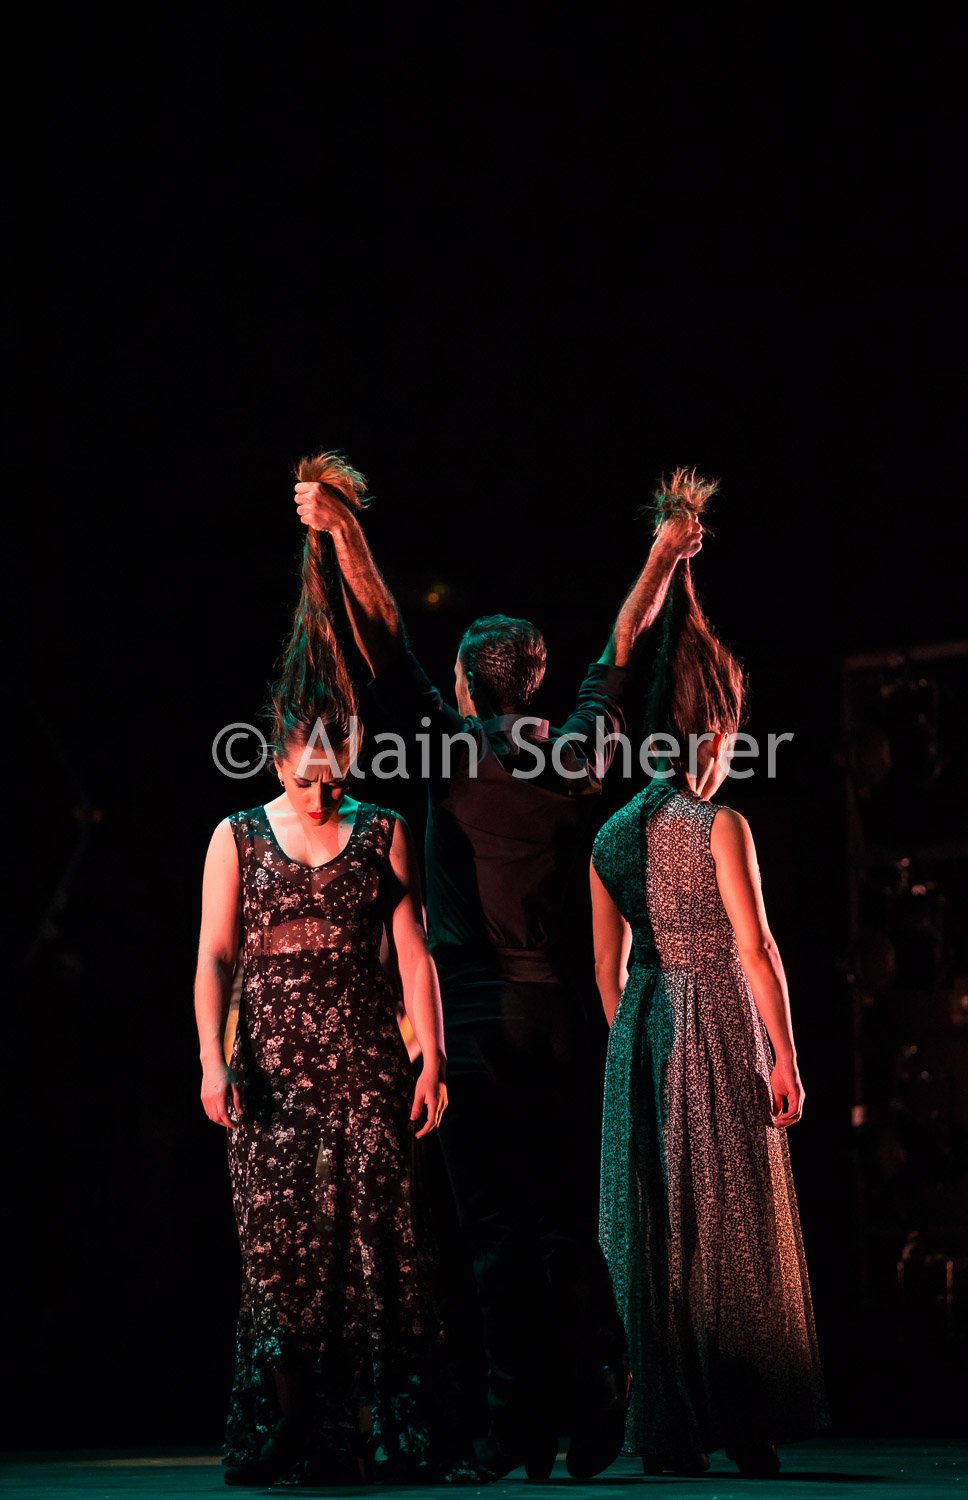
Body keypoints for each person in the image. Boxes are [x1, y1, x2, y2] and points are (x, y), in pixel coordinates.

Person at [292, 454, 703, 1480]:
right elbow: (624, 645)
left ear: (470, 682)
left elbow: (382, 630)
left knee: (491, 1232)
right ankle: (593, 1384)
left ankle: (516, 1428)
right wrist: (663, 551)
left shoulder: (442, 748)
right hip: (565, 1020)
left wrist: (342, 529)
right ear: (539, 676)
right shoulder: (579, 751)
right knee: (561, 1221)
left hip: (476, 1022)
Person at [194, 453, 479, 1486]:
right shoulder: (236, 833)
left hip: (362, 1059)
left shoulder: (381, 827)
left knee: (376, 1245)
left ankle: (374, 1430)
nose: (322, 792)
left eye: (337, 771)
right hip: (272, 1064)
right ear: (278, 756)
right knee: (280, 1252)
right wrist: (212, 1060)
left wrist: (431, 1058)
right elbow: (214, 956)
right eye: (307, 774)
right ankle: (287, 1428)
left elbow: (413, 951)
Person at [590, 472, 829, 1478]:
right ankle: (744, 1415)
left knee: (655, 1225)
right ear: (717, 729)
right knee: (729, 1216)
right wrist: (783, 1054)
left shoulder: (609, 835)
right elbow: (756, 948)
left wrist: (635, 1046)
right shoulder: (719, 824)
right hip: (715, 1016)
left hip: (642, 1024)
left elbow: (606, 970)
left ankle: (669, 1420)